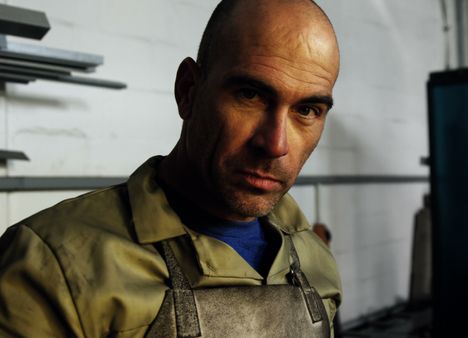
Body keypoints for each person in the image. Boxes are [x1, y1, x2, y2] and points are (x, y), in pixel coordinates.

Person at [0, 0, 341, 336]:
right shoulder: (53, 266)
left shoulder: (314, 257)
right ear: (188, 91)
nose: (276, 144)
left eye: (307, 110)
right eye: (250, 95)